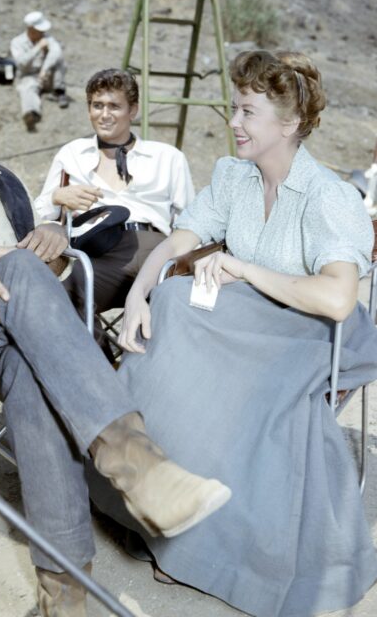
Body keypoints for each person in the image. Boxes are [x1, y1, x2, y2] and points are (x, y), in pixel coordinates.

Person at [0, 57, 230, 617]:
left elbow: (39, 282)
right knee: (13, 268)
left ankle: (63, 595)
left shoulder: (5, 180)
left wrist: (55, 234)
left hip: (8, 335)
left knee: (33, 379)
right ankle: (136, 465)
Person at [90, 50, 377, 617]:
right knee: (172, 302)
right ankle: (148, 493)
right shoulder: (233, 176)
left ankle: (210, 542)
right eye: (234, 109)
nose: (235, 123)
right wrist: (141, 294)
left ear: (289, 124)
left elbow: (339, 298)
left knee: (229, 376)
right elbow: (177, 243)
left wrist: (244, 269)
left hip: (315, 331)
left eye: (248, 112)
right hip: (248, 320)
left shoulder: (329, 196)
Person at [35, 68, 195, 354]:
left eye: (114, 106)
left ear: (132, 110)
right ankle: (107, 371)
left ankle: (148, 378)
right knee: (60, 296)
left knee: (178, 309)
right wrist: (59, 196)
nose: (104, 114)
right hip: (97, 251)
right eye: (97, 105)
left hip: (154, 247)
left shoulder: (167, 157)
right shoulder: (72, 154)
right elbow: (42, 214)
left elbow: (190, 221)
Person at [10, 10, 68, 132]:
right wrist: (38, 48)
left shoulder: (48, 38)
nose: (43, 32)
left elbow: (56, 53)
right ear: (30, 28)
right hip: (29, 76)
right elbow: (21, 63)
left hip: (46, 75)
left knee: (60, 61)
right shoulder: (17, 42)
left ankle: (59, 91)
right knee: (27, 89)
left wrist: (45, 69)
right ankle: (31, 114)